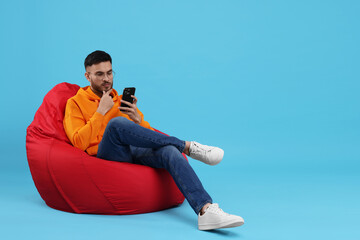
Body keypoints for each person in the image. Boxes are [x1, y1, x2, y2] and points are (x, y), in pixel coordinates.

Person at [63, 50, 244, 230]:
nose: (106, 79)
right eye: (99, 74)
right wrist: (100, 112)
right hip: (106, 154)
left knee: (169, 151)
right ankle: (187, 146)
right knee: (116, 124)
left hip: (132, 150)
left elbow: (149, 137)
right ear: (87, 76)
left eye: (109, 73)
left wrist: (138, 119)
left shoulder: (119, 100)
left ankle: (205, 210)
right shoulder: (75, 103)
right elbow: (78, 142)